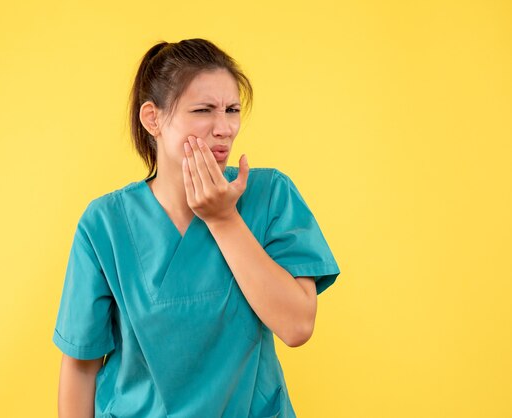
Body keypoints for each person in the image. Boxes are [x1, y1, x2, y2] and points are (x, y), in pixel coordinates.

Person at [53, 38, 341, 418]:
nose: (224, 128)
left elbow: (297, 325)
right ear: (152, 119)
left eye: (232, 110)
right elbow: (80, 365)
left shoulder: (270, 196)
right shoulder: (105, 224)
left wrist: (224, 219)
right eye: (204, 110)